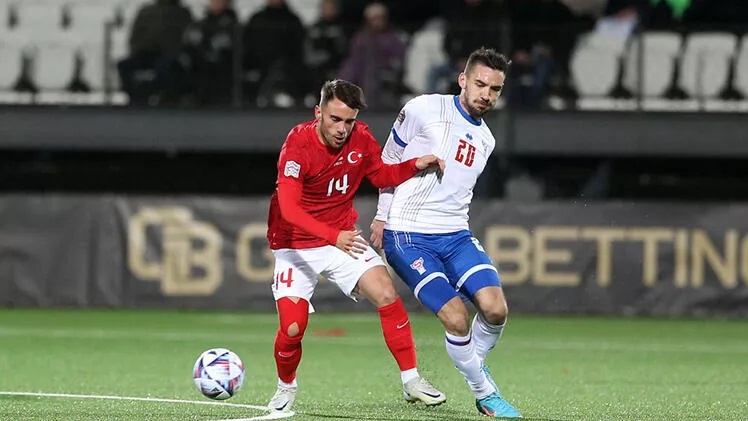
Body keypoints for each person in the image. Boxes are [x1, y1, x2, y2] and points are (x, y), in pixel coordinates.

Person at [265, 79, 447, 412]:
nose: (342, 129)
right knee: (292, 328)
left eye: (348, 121)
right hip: (296, 244)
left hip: (340, 237)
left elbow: (379, 175)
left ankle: (411, 381)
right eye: (335, 119)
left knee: (386, 293)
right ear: (318, 113)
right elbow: (290, 210)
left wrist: (414, 165)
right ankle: (285, 387)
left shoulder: (360, 137)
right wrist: (333, 236)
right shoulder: (298, 143)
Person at [370, 47, 522, 418]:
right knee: (456, 317)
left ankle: (473, 360)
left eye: (495, 89)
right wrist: (381, 215)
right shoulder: (423, 108)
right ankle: (485, 393)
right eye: (480, 84)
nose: (486, 94)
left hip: (455, 234)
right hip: (408, 233)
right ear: (463, 80)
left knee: (496, 309)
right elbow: (388, 160)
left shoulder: (487, 140)